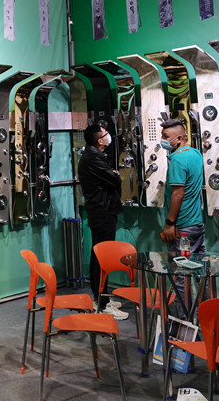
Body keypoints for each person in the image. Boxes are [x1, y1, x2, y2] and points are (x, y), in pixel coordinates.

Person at [77, 124, 128, 320]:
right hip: (102, 212)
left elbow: (112, 177)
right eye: (105, 133)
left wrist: (113, 175)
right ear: (100, 140)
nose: (109, 135)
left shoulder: (94, 157)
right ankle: (102, 303)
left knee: (99, 255)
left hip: (102, 211)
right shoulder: (93, 158)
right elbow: (114, 180)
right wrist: (114, 175)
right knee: (101, 257)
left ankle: (101, 298)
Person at [159, 118, 205, 312]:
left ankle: (186, 318)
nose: (163, 140)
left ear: (178, 139)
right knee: (201, 272)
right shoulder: (196, 154)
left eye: (166, 136)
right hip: (197, 224)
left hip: (182, 227)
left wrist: (170, 223)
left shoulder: (177, 160)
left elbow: (178, 193)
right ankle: (206, 314)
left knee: (180, 276)